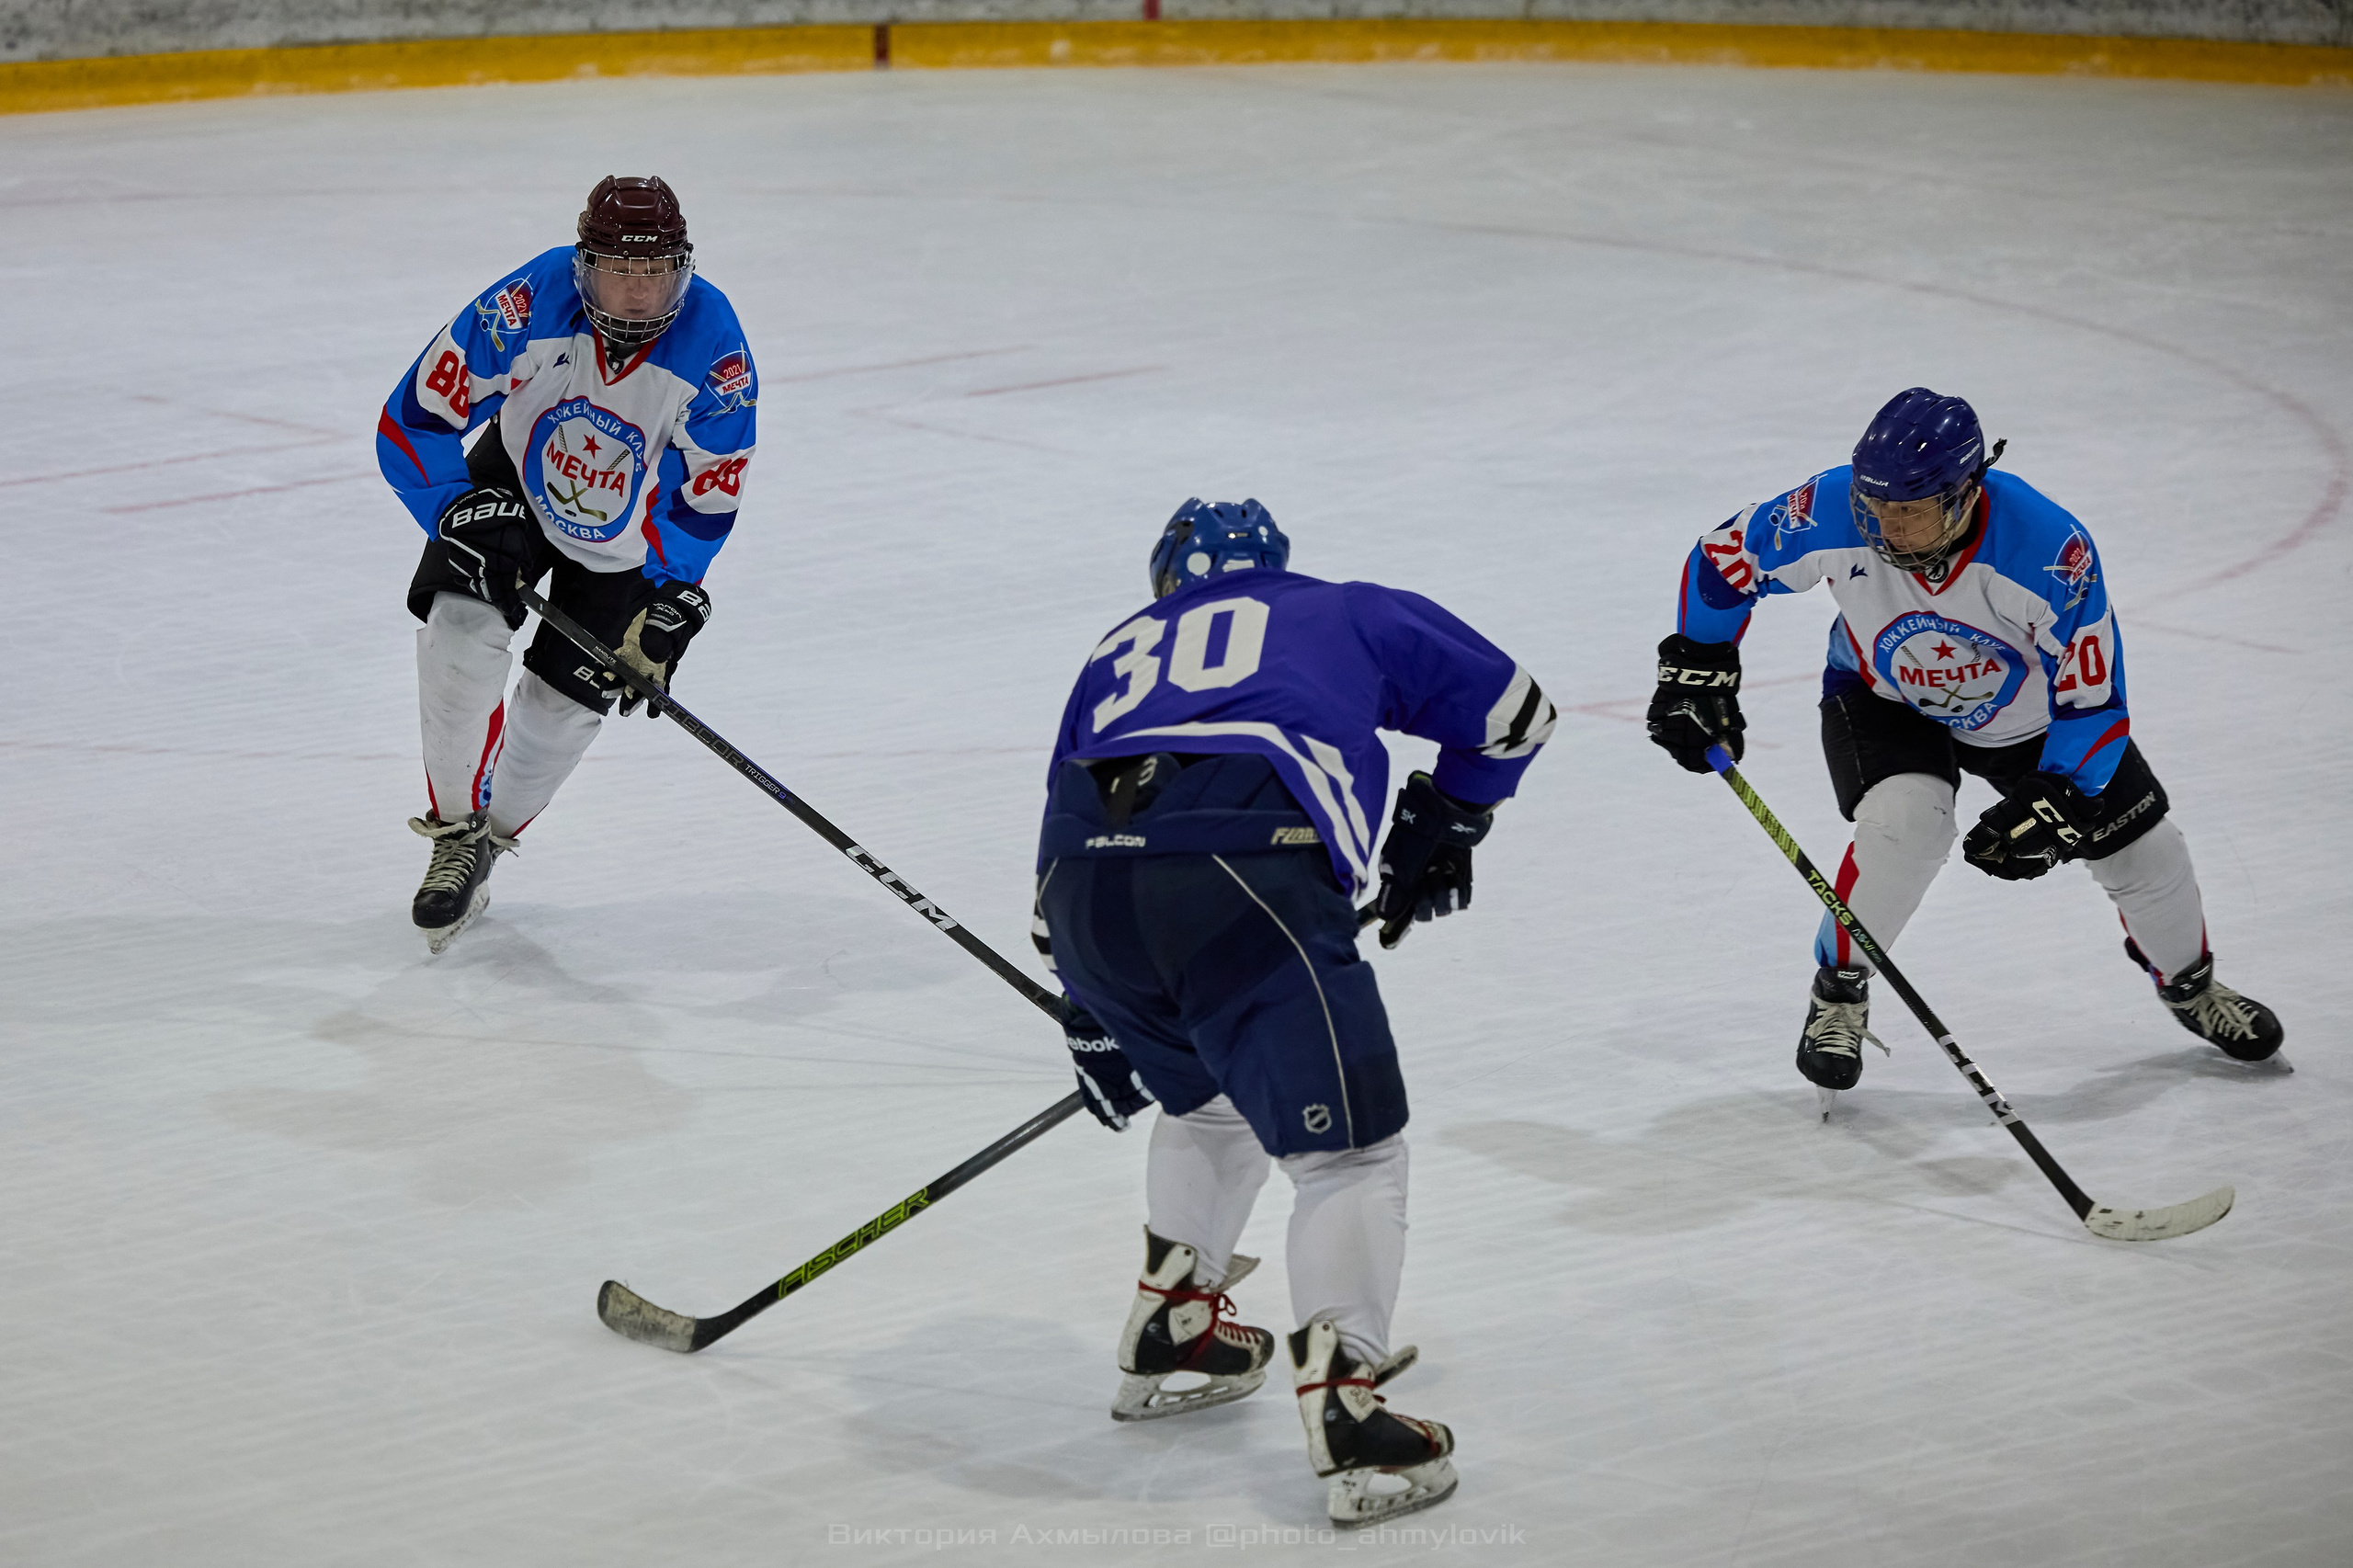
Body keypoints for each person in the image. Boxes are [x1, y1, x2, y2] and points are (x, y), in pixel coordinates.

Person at [1029, 499, 1554, 1525]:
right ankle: (1349, 1409)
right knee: (1351, 1158)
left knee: (1208, 1101)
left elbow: (1063, 812)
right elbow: (1516, 709)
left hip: (1084, 896)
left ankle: (1174, 1323)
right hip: (1242, 869)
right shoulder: (1341, 609)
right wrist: (1450, 818)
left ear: (1164, 582)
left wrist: (1088, 1005)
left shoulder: (1119, 645)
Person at [1646, 388, 2282, 1096]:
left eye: (1909, 512)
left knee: (2149, 853)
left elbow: (2093, 697)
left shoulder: (2049, 551)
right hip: (1883, 697)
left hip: (2031, 722)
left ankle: (2191, 986)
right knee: (1905, 826)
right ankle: (1840, 994)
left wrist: (2061, 794)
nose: (1886, 529)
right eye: (1875, 507)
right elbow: (1723, 559)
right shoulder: (1829, 508)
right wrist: (1697, 671)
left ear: (1964, 494)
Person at [375, 176, 757, 951]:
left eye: (657, 271)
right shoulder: (529, 300)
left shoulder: (717, 346)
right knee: (457, 634)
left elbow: (705, 494)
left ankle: (492, 841)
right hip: (512, 486)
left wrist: (673, 596)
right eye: (620, 269)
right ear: (582, 265)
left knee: (560, 713)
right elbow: (411, 419)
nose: (640, 293)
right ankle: (455, 831)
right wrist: (456, 509)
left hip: (624, 544)